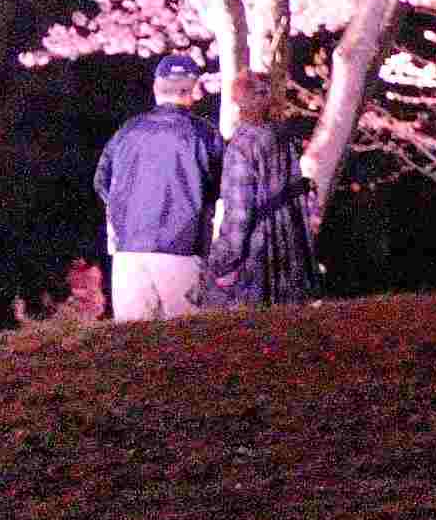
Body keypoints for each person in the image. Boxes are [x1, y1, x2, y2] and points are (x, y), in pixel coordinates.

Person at [93, 52, 223, 322]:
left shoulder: (127, 131)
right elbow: (219, 185)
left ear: (156, 87)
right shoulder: (204, 135)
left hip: (129, 250)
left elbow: (101, 182)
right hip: (182, 249)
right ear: (193, 90)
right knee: (188, 342)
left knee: (133, 346)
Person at [203, 74, 320, 309]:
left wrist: (218, 264)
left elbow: (238, 216)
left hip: (257, 263)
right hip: (291, 259)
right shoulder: (284, 138)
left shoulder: (241, 146)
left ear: (237, 102)